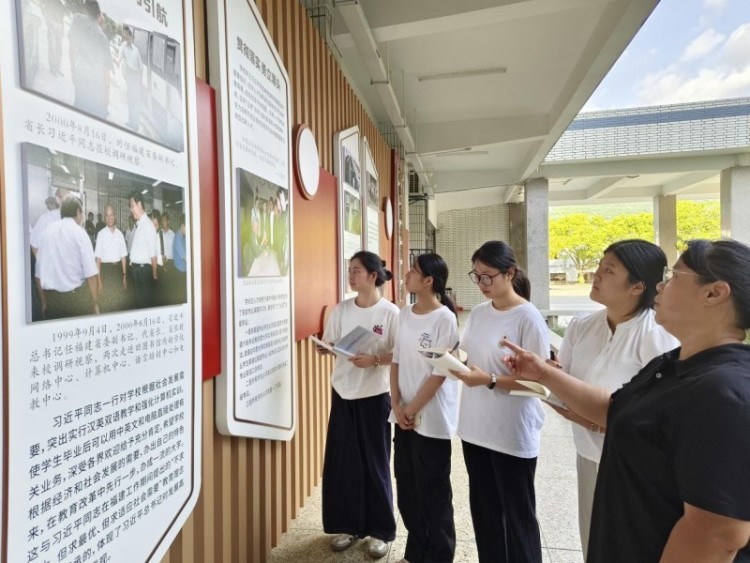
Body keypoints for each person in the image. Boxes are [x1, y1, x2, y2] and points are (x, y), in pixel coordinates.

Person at [497, 239, 750, 562]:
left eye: (674, 276)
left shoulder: (724, 392)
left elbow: (716, 533)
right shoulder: (673, 364)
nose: (661, 285)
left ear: (714, 293)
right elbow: (614, 409)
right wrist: (544, 373)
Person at [554, 239, 678, 559]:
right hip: (588, 454)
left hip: (633, 467)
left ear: (637, 286)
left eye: (608, 270)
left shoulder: (656, 336)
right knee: (593, 542)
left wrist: (597, 422)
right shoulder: (582, 326)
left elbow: (662, 419)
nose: (596, 274)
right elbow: (561, 381)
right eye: (599, 265)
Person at [450, 240, 549, 563]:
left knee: (518, 519)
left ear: (510, 273)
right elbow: (468, 356)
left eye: (487, 276)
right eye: (476, 276)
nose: (481, 283)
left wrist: (491, 380)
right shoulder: (479, 313)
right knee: (485, 514)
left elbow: (539, 384)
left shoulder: (528, 317)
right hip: (475, 427)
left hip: (511, 433)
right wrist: (450, 361)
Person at [318, 251, 399, 560]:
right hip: (343, 393)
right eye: (349, 270)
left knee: (376, 464)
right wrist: (326, 349)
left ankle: (380, 531)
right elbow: (330, 341)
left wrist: (375, 359)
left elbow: (400, 353)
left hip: (375, 395)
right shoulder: (341, 309)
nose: (350, 276)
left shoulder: (390, 313)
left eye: (356, 271)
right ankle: (348, 526)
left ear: (373, 276)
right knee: (344, 464)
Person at [390, 252, 459, 563]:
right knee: (407, 488)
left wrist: (411, 408)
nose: (406, 275)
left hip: (430, 418)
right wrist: (395, 403)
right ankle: (416, 551)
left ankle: (440, 555)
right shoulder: (405, 313)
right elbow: (396, 360)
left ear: (429, 280)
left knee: (434, 492)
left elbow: (439, 373)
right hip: (402, 414)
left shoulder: (445, 318)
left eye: (413, 272)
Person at [35, 195, 99, 319]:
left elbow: (38, 276)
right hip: (76, 301)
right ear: (78, 212)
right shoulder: (80, 233)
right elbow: (91, 275)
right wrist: (95, 304)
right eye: (82, 212)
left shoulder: (46, 232)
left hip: (53, 301)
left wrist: (44, 303)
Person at [68, 0, 112, 119]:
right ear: (99, 15)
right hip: (96, 85)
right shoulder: (103, 39)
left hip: (81, 76)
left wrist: (73, 70)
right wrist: (106, 96)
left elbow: (72, 48)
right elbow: (106, 72)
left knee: (79, 111)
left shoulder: (78, 20)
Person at [94, 204, 128, 312]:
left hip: (117, 271)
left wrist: (124, 276)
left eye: (111, 215)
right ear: (104, 217)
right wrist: (99, 281)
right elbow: (98, 260)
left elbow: (123, 257)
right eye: (107, 215)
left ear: (115, 216)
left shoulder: (120, 234)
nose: (110, 218)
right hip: (105, 272)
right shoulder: (100, 234)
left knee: (118, 304)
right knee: (106, 304)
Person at [128, 192, 159, 308]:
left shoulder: (147, 225)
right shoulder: (140, 224)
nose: (131, 210)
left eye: (132, 206)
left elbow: (153, 255)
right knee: (138, 305)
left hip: (143, 272)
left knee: (143, 306)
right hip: (137, 271)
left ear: (139, 204)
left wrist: (154, 275)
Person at [116, 26, 143, 131]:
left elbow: (141, 69)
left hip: (136, 77)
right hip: (130, 76)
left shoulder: (136, 50)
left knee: (135, 101)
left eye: (126, 34)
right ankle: (131, 122)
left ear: (131, 36)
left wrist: (139, 82)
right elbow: (120, 56)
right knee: (130, 100)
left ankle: (135, 124)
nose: (124, 36)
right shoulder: (123, 45)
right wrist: (117, 62)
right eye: (124, 34)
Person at [172, 214, 187, 303]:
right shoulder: (177, 237)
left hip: (183, 271)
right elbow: (185, 258)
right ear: (182, 225)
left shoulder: (183, 237)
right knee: (181, 298)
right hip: (179, 273)